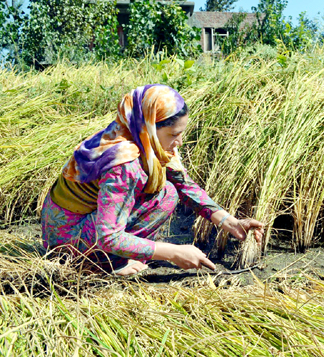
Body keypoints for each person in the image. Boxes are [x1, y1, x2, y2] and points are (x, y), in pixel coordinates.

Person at [40, 84, 264, 276]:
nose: (180, 142)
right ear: (149, 127)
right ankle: (103, 264)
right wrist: (172, 252)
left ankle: (114, 258)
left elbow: (184, 185)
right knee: (165, 196)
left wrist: (230, 223)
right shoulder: (124, 162)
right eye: (174, 134)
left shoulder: (138, 138)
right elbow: (108, 235)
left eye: (181, 133)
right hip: (67, 241)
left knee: (168, 191)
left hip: (71, 225)